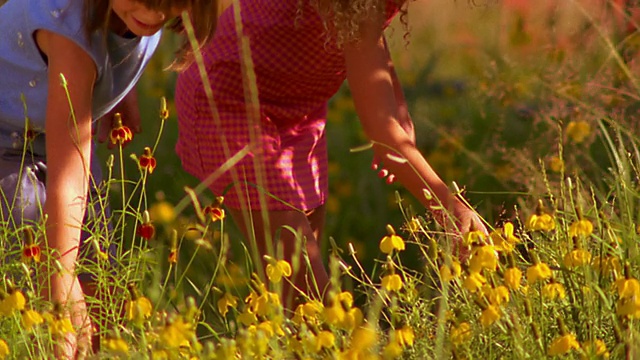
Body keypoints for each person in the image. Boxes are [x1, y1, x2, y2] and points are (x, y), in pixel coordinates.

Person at [175, 0, 487, 307]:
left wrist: (397, 105)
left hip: (297, 109)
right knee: (311, 300)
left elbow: (369, 40)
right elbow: (382, 131)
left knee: (298, 284)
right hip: (229, 100)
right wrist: (450, 209)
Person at [0, 0, 217, 357]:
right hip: (6, 138)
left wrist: (118, 93)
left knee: (100, 281)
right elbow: (68, 174)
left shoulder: (129, 9)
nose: (152, 16)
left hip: (49, 132)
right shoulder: (69, 30)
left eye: (168, 5)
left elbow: (111, 45)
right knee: (40, 281)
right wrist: (62, 279)